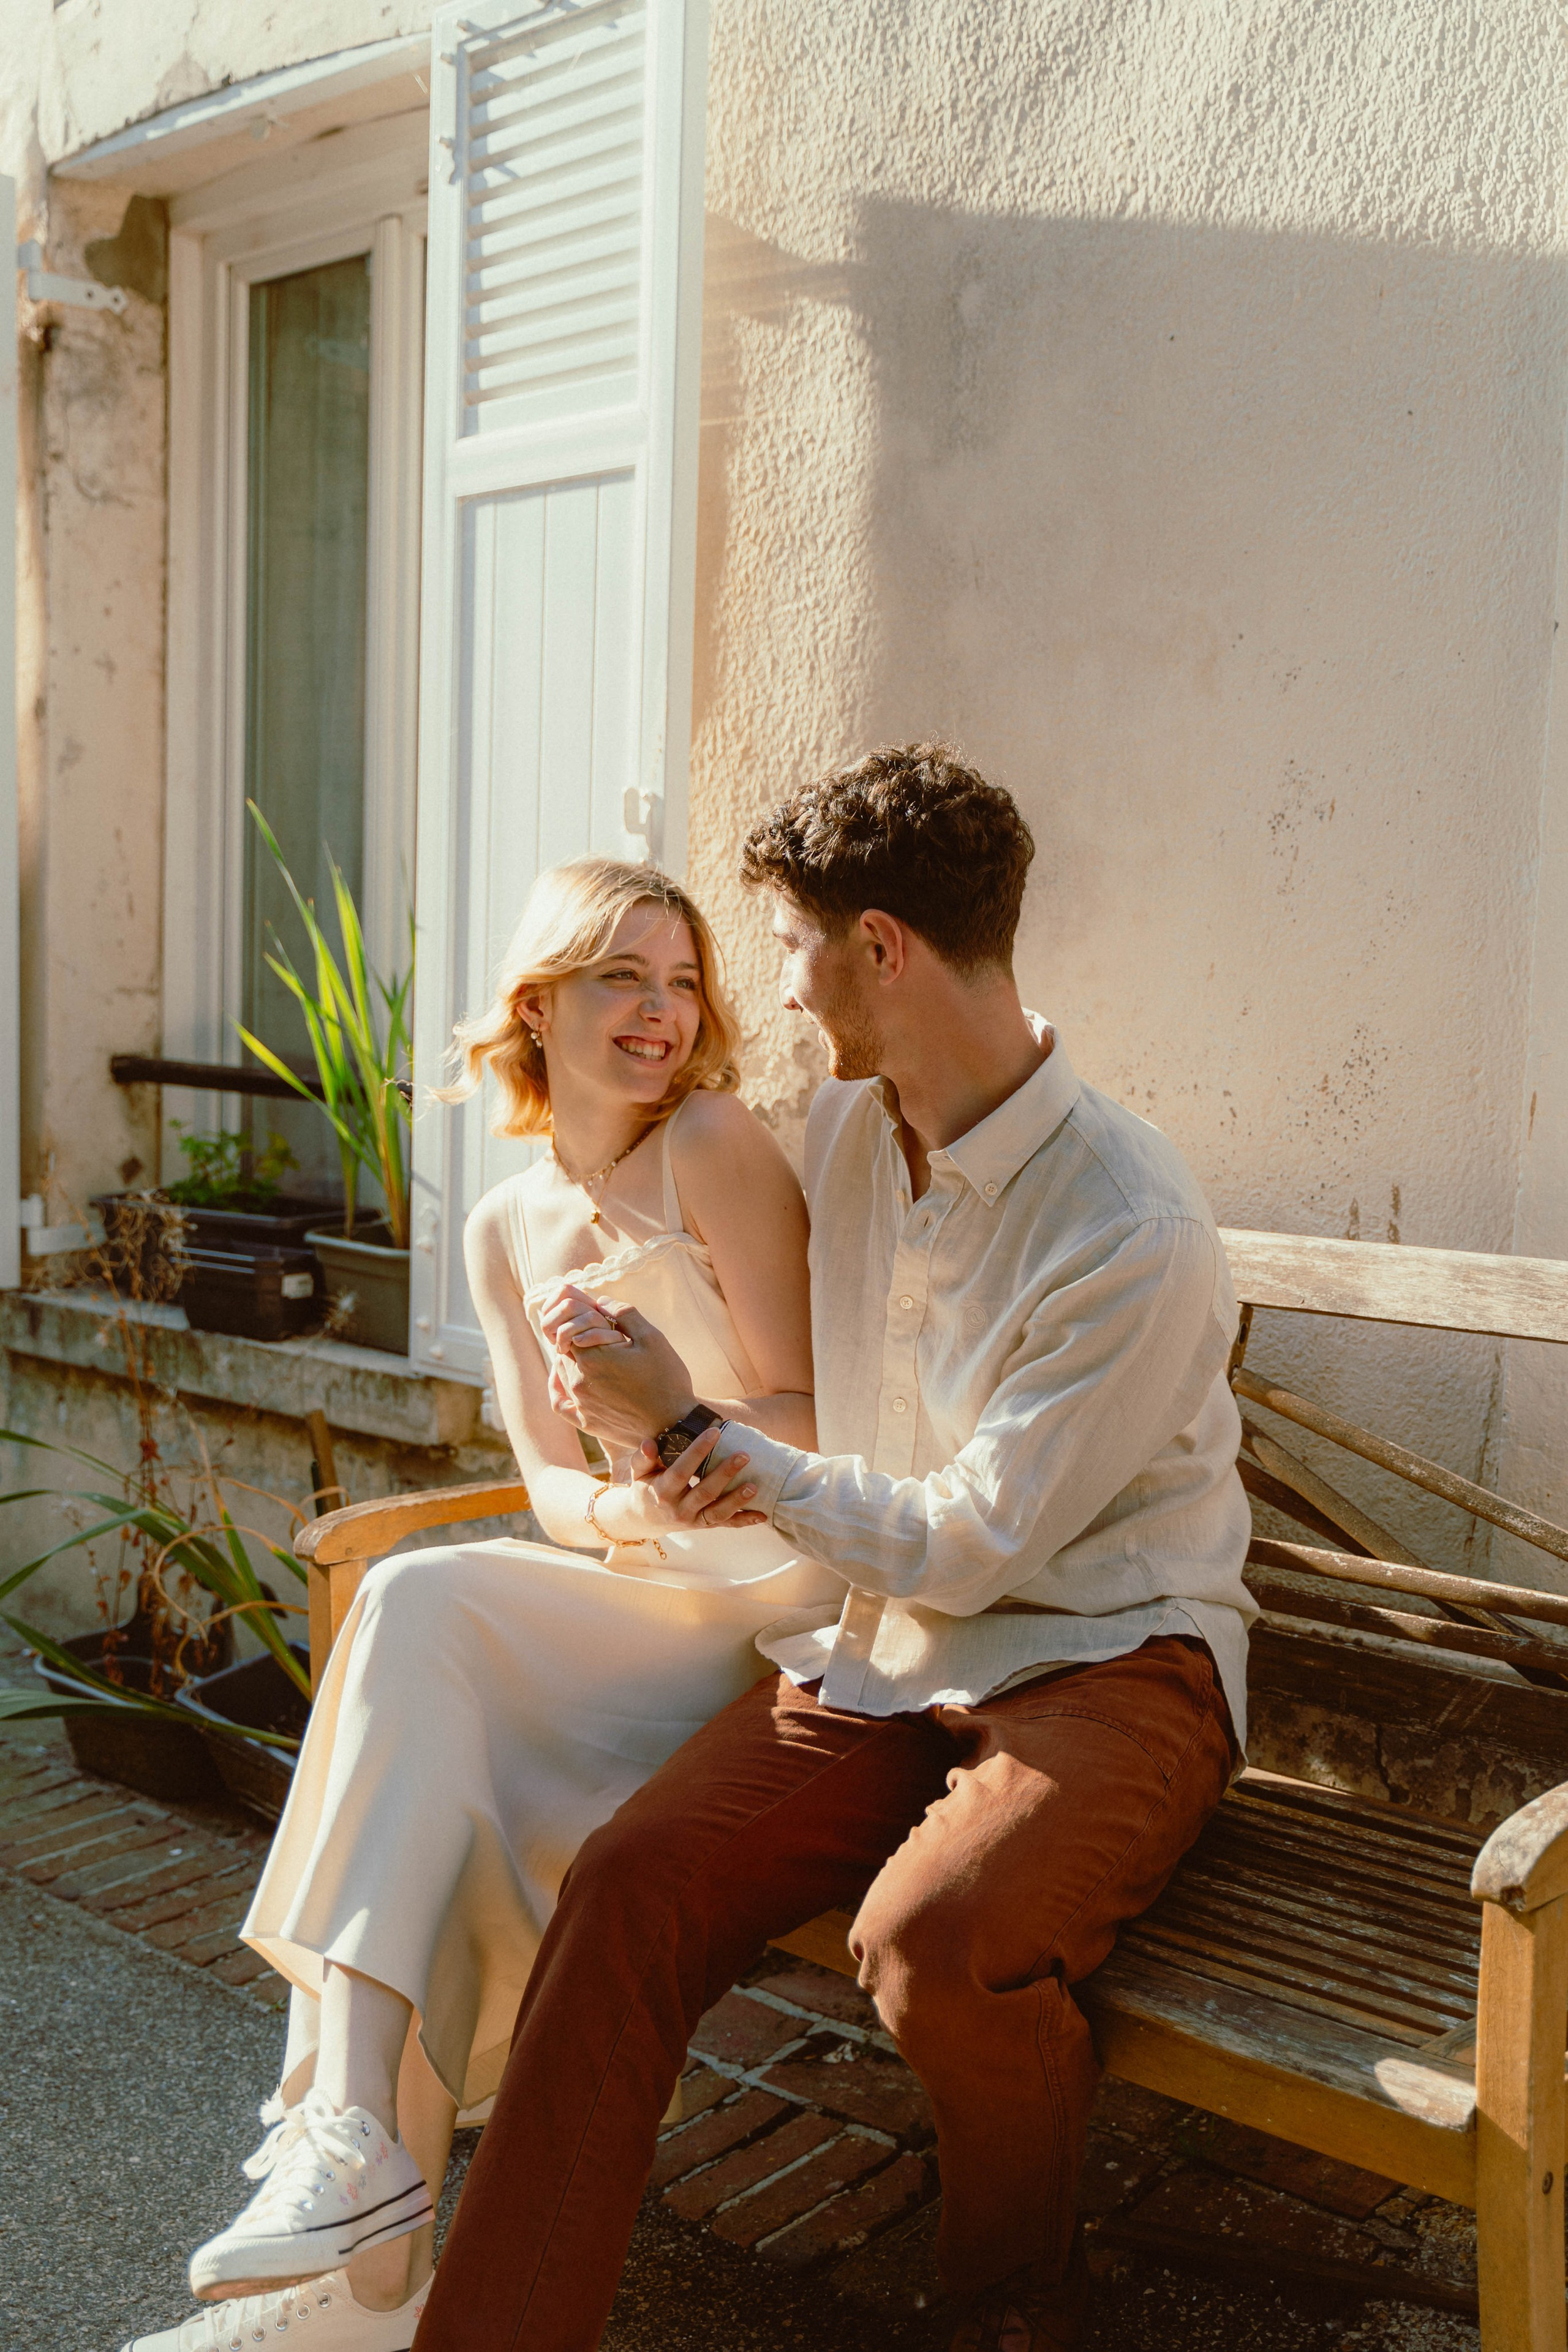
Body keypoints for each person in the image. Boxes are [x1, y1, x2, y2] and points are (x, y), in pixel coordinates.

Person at [413, 744, 1254, 2352]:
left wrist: (698, 1438)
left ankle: (1011, 2308)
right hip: (892, 1646)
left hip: (1112, 1656)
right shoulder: (861, 1136)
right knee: (633, 1883)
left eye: (792, 945)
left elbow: (975, 1540)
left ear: (882, 948)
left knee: (930, 1945)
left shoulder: (1127, 1225)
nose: (776, 990)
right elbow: (860, 1482)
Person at [121, 858, 844, 2352]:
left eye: (683, 980)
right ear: (537, 1003)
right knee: (425, 1720)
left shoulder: (712, 1143)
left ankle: (349, 2163)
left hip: (774, 1593)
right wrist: (634, 1505)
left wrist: (685, 1436)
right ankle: (373, 2270)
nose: (660, 1012)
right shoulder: (504, 1225)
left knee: (417, 1607)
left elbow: (816, 1416)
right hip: (633, 1584)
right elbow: (550, 1487)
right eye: (619, 979)